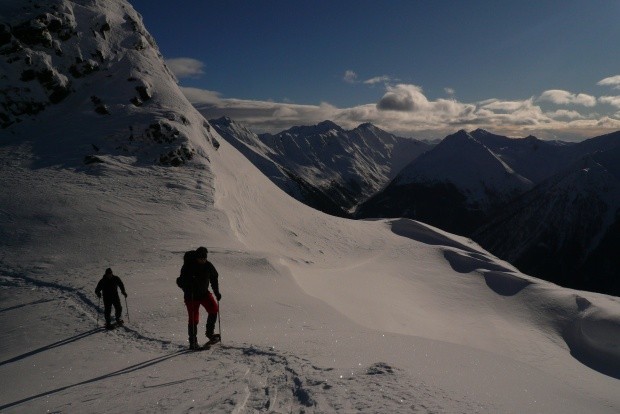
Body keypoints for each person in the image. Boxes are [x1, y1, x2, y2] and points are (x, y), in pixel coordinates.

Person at [176, 246, 221, 349]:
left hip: (204, 293)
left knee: (213, 308)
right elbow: (180, 281)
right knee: (194, 318)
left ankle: (210, 334)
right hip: (191, 296)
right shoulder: (188, 266)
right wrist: (188, 284)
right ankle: (193, 342)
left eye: (204, 258)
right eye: (201, 259)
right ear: (196, 258)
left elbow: (214, 278)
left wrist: (217, 292)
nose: (203, 261)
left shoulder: (208, 265)